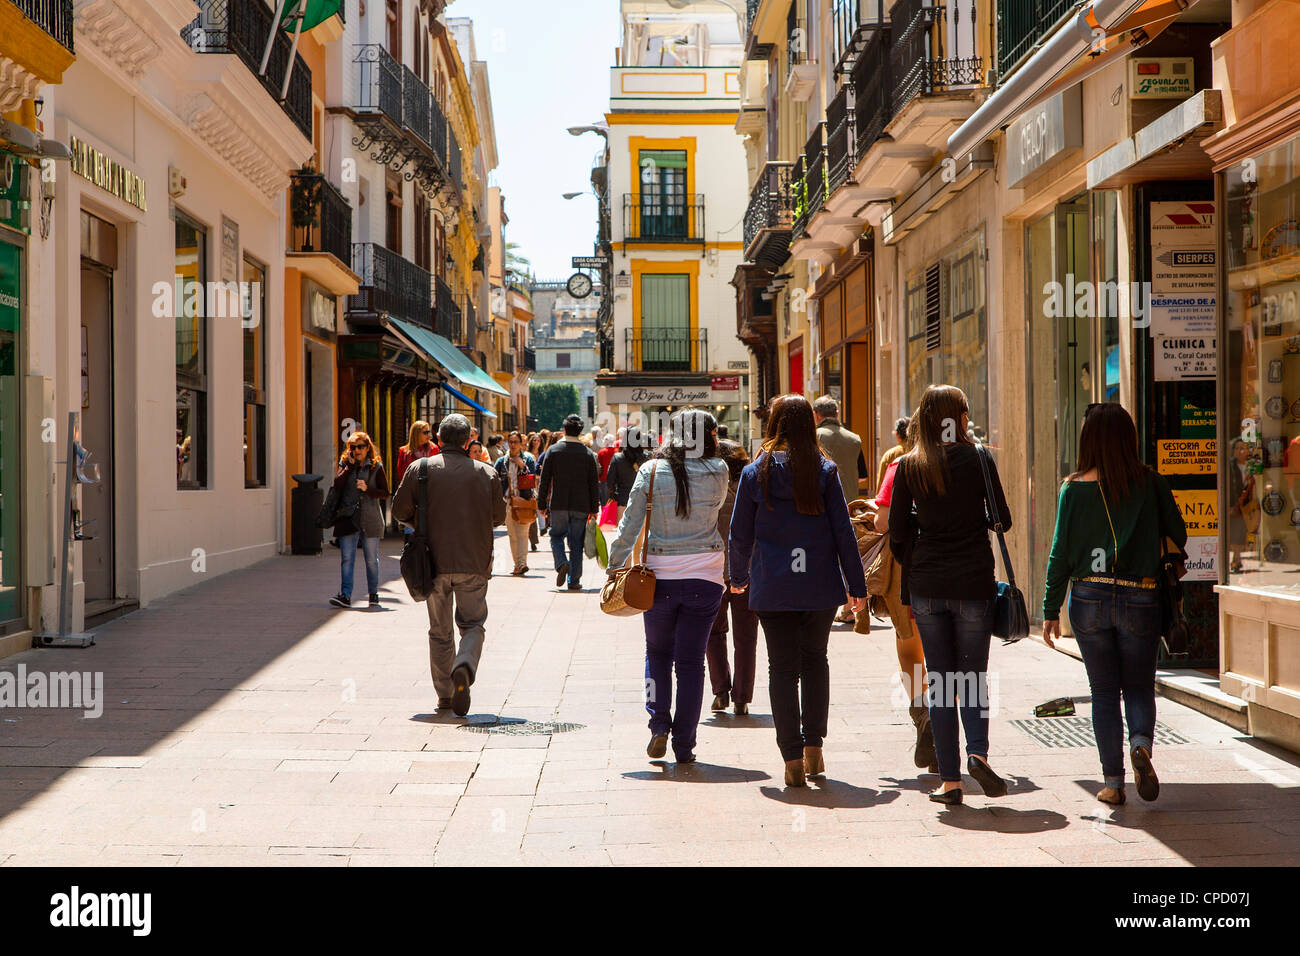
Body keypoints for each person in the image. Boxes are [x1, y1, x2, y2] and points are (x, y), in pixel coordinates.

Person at [1042, 403, 1187, 806]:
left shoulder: (1072, 489)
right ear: (1128, 439)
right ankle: (1140, 743)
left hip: (1088, 598)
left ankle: (1112, 783)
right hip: (1141, 594)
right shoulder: (1150, 482)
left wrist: (1050, 609)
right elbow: (1180, 534)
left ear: (1088, 440)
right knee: (1139, 685)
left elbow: (1060, 554)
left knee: (1103, 692)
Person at [730, 395, 868, 787]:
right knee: (815, 661)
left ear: (773, 424)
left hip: (773, 584)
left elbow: (739, 535)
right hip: (818, 585)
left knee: (781, 669)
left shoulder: (755, 473)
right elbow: (844, 531)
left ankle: (790, 757)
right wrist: (856, 587)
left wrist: (738, 576)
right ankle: (813, 749)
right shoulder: (824, 470)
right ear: (810, 425)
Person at [889, 385, 1010, 805]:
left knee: (939, 682)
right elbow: (1003, 520)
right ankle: (978, 753)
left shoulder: (909, 465)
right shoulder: (978, 458)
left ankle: (950, 780)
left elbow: (898, 537)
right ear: (957, 419)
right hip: (973, 582)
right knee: (972, 676)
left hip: (926, 586)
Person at [608, 409, 728, 764]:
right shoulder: (719, 471)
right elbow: (714, 511)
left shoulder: (651, 470)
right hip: (705, 575)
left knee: (657, 654)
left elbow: (629, 523)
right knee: (691, 663)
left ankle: (659, 724)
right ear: (708, 436)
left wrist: (615, 565)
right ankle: (684, 745)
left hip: (656, 579)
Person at [391, 414, 506, 716]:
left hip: (433, 561)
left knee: (439, 631)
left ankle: (445, 694)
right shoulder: (487, 473)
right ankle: (464, 665)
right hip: (474, 561)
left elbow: (399, 510)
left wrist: (423, 522)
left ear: (439, 440)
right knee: (473, 624)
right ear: (468, 440)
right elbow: (499, 517)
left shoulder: (420, 469)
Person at [872, 431, 935, 774]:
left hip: (908, 572)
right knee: (949, 655)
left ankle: (922, 712)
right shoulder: (966, 460)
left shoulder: (899, 466)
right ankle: (945, 729)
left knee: (911, 651)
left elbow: (882, 522)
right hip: (957, 572)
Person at [707, 440, 759, 716]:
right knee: (746, 636)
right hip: (748, 570)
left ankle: (720, 692)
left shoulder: (707, 488)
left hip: (712, 570)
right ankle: (742, 697)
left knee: (714, 634)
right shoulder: (753, 486)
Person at [813, 395, 869, 623]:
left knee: (824, 556)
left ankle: (828, 603)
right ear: (837, 414)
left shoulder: (814, 437)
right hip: (850, 507)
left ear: (817, 415)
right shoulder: (854, 439)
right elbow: (863, 477)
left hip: (821, 506)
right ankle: (848, 606)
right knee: (848, 554)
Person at [328, 431, 390, 609]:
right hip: (348, 519)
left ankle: (373, 594)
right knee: (347, 558)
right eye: (353, 447)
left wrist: (367, 489)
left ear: (367, 447)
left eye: (360, 447)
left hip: (370, 519)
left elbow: (385, 493)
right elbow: (337, 485)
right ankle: (345, 596)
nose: (357, 451)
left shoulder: (375, 467)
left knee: (371, 559)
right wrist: (348, 466)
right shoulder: (345, 464)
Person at [539, 414, 600, 590]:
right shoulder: (588, 454)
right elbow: (592, 483)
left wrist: (541, 504)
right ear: (580, 431)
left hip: (558, 503)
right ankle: (574, 581)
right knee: (576, 543)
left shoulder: (553, 451)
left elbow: (544, 480)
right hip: (581, 505)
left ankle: (561, 562)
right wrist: (594, 508)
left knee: (556, 536)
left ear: (564, 429)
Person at [495, 430, 539, 576]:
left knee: (523, 533)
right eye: (511, 442)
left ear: (521, 444)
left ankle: (522, 563)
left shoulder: (528, 460)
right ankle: (517, 564)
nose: (513, 445)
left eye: (516, 442)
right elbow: (495, 481)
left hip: (524, 501)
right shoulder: (501, 462)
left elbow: (532, 481)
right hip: (507, 502)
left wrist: (523, 467)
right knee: (512, 535)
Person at [605, 425, 649, 525]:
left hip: (623, 500)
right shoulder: (646, 458)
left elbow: (610, 481)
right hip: (643, 501)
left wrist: (614, 496)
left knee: (623, 538)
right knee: (640, 539)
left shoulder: (617, 458)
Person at [1226, 437, 1254, 573]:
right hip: (1236, 504)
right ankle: (1236, 559)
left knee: (1244, 532)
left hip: (1250, 505)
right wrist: (1230, 505)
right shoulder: (1230, 466)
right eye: (1236, 448)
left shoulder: (1252, 465)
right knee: (1236, 532)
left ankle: (1237, 559)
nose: (1239, 451)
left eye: (1242, 448)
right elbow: (1229, 486)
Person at [877, 417, 909, 488]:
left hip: (891, 497)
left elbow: (881, 486)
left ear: (897, 434)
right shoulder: (919, 454)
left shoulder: (889, 455)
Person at [597, 429, 619, 506]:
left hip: (604, 479)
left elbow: (599, 467)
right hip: (616, 480)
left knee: (604, 501)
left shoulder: (601, 452)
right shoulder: (617, 451)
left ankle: (604, 517)